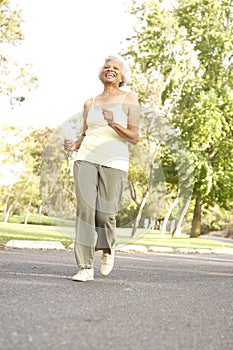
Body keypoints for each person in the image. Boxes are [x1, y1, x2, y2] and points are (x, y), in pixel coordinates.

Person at [64, 55, 140, 282]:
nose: (110, 69)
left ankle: (107, 248)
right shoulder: (90, 103)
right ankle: (85, 267)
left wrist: (114, 123)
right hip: (86, 158)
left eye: (116, 68)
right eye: (107, 67)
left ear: (122, 76)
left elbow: (135, 137)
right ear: (101, 74)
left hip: (115, 161)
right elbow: (87, 132)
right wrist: (74, 144)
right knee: (85, 211)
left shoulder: (130, 99)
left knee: (106, 213)